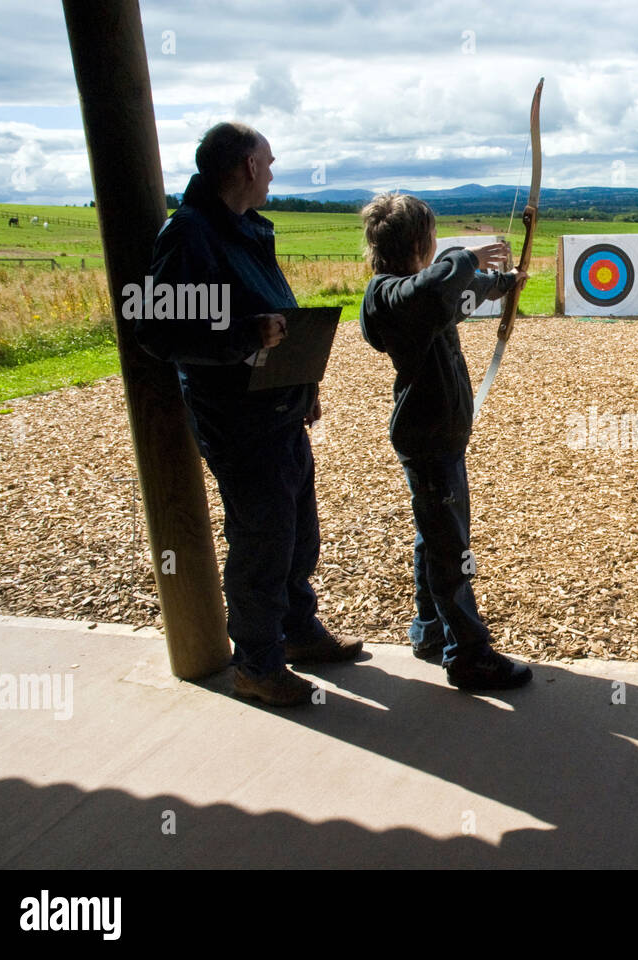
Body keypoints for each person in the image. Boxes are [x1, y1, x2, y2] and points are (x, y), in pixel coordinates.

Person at [136, 122, 360, 707]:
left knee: (296, 529)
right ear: (244, 168)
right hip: (237, 414)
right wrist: (243, 335)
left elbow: (272, 311)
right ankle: (256, 665)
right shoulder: (190, 234)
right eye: (267, 161)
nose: (273, 168)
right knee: (263, 537)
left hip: (278, 401)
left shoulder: (248, 228)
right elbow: (156, 326)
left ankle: (297, 632)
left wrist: (303, 380)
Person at [358, 192, 532, 690]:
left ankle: (430, 629)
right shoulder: (388, 295)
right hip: (428, 437)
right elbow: (438, 290)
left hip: (437, 435)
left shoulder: (417, 295)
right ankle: (468, 654)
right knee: (450, 548)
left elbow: (455, 294)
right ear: (419, 241)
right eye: (433, 239)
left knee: (432, 536)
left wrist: (503, 284)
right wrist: (469, 257)